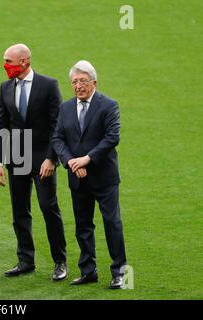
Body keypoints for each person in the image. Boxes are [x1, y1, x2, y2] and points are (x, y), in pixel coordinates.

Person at [0, 44, 67, 281]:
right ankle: (25, 260)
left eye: (9, 61)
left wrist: (51, 159)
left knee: (48, 207)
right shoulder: (5, 88)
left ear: (24, 61)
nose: (6, 66)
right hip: (17, 159)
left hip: (43, 158)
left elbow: (58, 125)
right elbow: (1, 127)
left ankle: (60, 261)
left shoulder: (48, 85)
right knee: (19, 210)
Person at [52, 60, 127, 289]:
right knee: (83, 225)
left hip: (104, 178)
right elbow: (58, 139)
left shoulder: (108, 105)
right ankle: (88, 271)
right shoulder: (65, 108)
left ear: (94, 82)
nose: (78, 86)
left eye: (83, 81)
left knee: (111, 223)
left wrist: (87, 158)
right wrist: (72, 162)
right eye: (74, 82)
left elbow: (112, 138)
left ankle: (119, 272)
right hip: (78, 177)